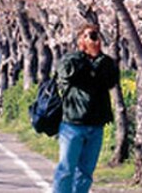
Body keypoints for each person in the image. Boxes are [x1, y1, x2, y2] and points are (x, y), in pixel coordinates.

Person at [52, 22, 120, 193]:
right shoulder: (71, 60)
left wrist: (97, 56)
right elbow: (67, 73)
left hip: (96, 125)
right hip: (72, 124)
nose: (93, 39)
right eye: (89, 35)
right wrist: (84, 55)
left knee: (86, 173)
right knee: (66, 170)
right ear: (80, 40)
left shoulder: (105, 62)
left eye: (95, 35)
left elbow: (111, 80)